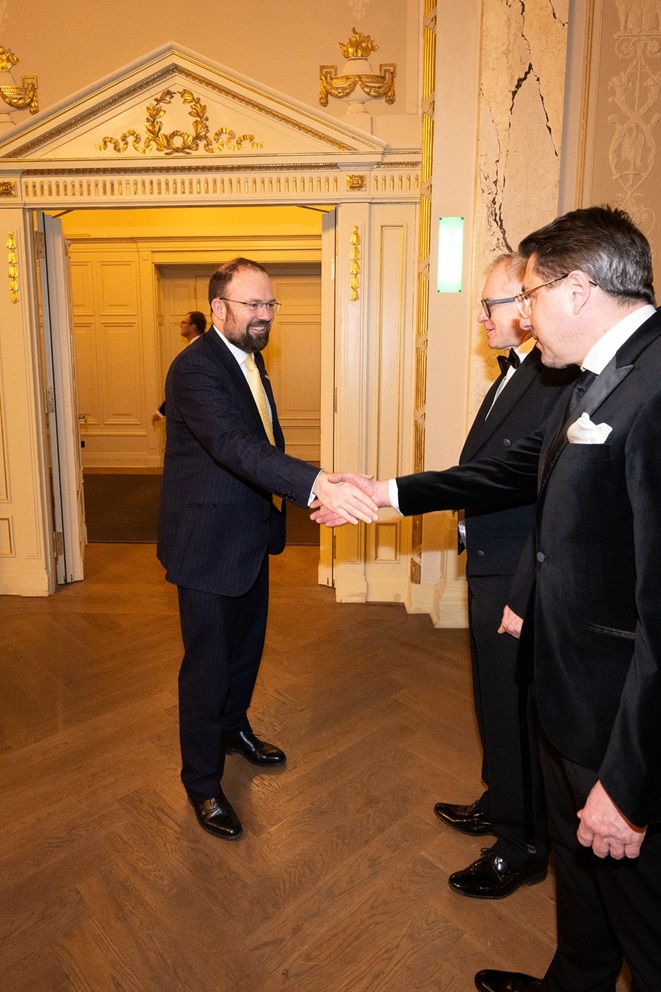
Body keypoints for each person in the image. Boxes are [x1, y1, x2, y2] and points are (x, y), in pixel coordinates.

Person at [318, 206, 661, 991]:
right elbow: (525, 479)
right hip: (572, 697)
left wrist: (627, 784)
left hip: (619, 720)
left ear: (577, 289)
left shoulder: (653, 385)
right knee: (581, 876)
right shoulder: (595, 375)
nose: (523, 317)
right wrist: (388, 492)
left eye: (529, 295)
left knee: (642, 915)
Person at [157, 257, 378, 842]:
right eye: (252, 304)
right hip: (206, 544)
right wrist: (316, 483)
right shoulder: (195, 368)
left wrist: (311, 481)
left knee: (244, 653)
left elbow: (264, 446)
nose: (264, 315)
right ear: (219, 308)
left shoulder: (250, 361)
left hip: (249, 534)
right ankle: (202, 782)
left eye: (270, 304)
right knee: (206, 669)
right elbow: (233, 445)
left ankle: (234, 729)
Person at [433, 252, 577, 900]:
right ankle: (501, 801)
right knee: (492, 701)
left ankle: (520, 846)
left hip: (516, 574)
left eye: (490, 304)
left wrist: (395, 493)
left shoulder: (551, 381)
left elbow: (535, 493)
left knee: (514, 711)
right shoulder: (513, 373)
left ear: (524, 307)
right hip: (491, 566)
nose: (482, 318)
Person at [152, 311, 207, 423]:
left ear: (193, 326)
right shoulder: (201, 346)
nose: (181, 325)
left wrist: (161, 411)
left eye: (184, 322)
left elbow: (184, 387)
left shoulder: (197, 350)